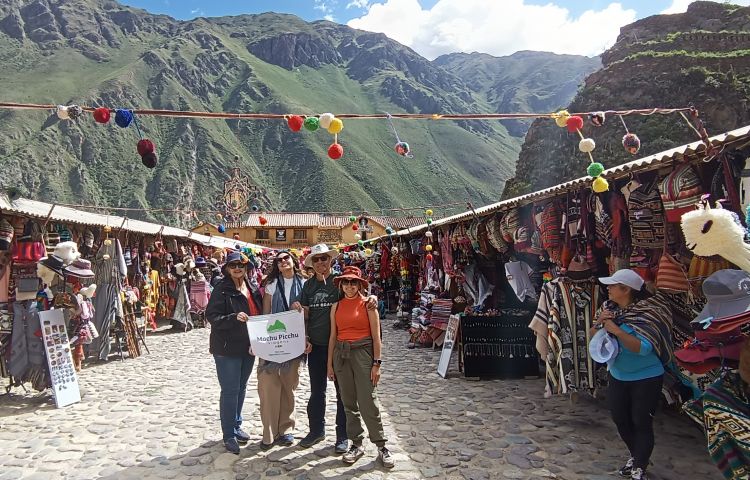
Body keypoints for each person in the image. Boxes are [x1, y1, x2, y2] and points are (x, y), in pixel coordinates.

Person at [291, 243, 377, 453]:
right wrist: (300, 313)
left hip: (341, 347)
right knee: (317, 391)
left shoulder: (340, 281)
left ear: (331, 260)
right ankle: (316, 430)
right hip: (317, 346)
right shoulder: (308, 286)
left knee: (342, 393)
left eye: (324, 258)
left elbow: (357, 296)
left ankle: (343, 435)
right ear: (312, 263)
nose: (321, 262)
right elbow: (307, 314)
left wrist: (372, 298)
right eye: (317, 259)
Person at [593, 269, 673, 480]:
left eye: (612, 285)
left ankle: (640, 465)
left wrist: (618, 330)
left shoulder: (647, 313)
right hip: (618, 374)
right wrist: (601, 322)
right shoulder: (608, 308)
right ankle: (635, 456)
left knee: (641, 420)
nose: (608, 289)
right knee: (620, 418)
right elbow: (594, 336)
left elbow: (643, 348)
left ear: (626, 289)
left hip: (646, 377)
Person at [327, 266, 394, 468]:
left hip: (363, 354)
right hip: (341, 355)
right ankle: (356, 443)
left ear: (359, 284)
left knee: (368, 401)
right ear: (341, 285)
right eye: (345, 282)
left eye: (353, 282)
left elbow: (376, 337)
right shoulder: (335, 307)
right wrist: (329, 364)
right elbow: (333, 336)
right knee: (348, 402)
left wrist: (377, 364)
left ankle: (381, 445)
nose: (349, 286)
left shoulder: (368, 305)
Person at [205, 250, 263, 455]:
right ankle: (228, 433)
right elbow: (211, 316)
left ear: (247, 268)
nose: (238, 268)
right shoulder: (221, 289)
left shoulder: (253, 288)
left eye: (241, 265)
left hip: (248, 347)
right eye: (233, 265)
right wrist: (232, 317)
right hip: (227, 348)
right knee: (229, 391)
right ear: (227, 269)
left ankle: (237, 425)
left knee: (241, 387)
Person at [257, 250, 311, 450]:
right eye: (278, 260)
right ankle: (269, 432)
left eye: (285, 258)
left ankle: (286, 429)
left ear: (293, 260)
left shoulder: (305, 283)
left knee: (289, 385)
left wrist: (302, 311)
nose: (282, 262)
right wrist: (259, 341)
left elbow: (310, 311)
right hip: (273, 340)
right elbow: (265, 313)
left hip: (295, 340)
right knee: (268, 384)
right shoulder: (271, 285)